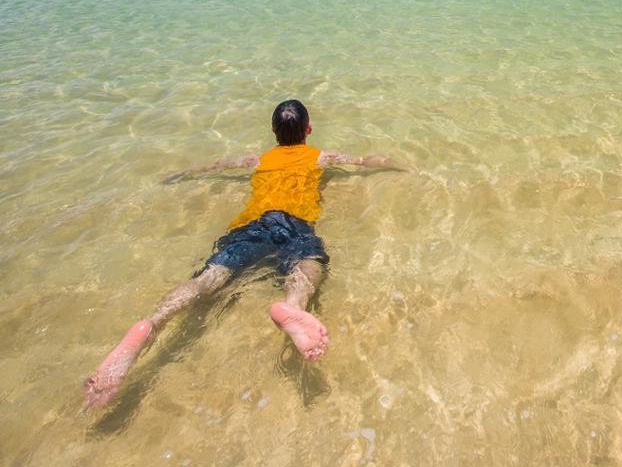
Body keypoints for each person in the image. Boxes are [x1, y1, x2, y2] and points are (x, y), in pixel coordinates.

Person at [84, 99, 399, 408]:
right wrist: (399, 164)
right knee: (308, 264)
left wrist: (177, 175)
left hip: (253, 225)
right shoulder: (320, 157)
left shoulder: (258, 160)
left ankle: (155, 321)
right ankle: (292, 306)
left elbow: (215, 166)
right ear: (309, 129)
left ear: (273, 131)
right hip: (294, 224)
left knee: (209, 278)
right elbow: (365, 161)